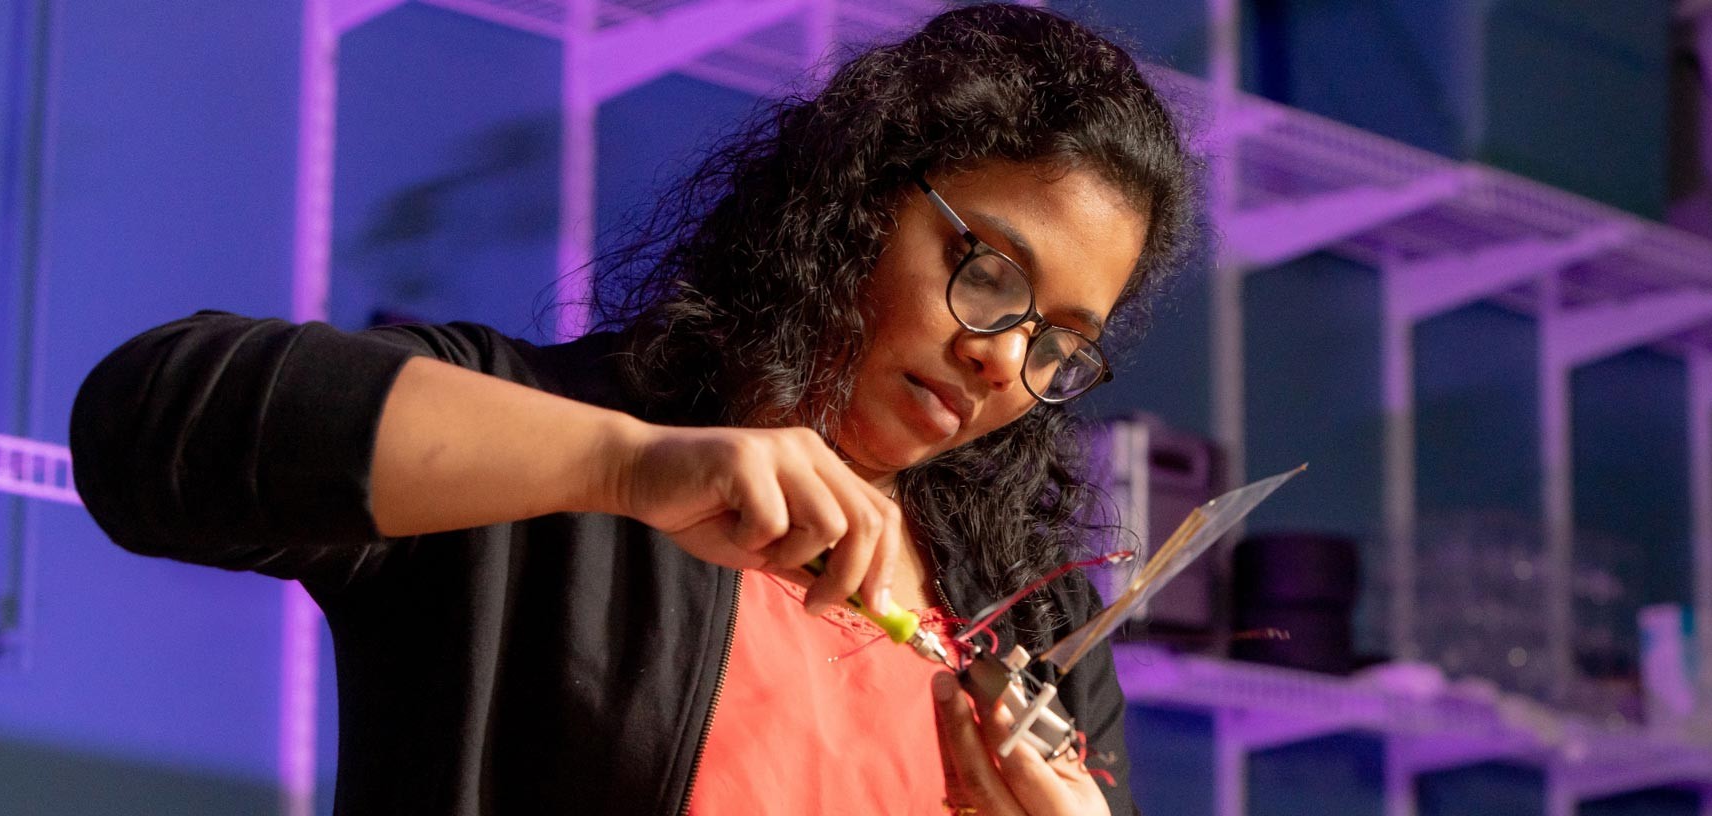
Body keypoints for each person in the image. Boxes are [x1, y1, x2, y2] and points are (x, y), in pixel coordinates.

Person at [70, 4, 1197, 814]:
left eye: (1059, 344)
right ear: (857, 201)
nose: (1003, 360)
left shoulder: (1034, 626)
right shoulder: (560, 456)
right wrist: (620, 468)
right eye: (987, 272)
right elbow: (145, 424)